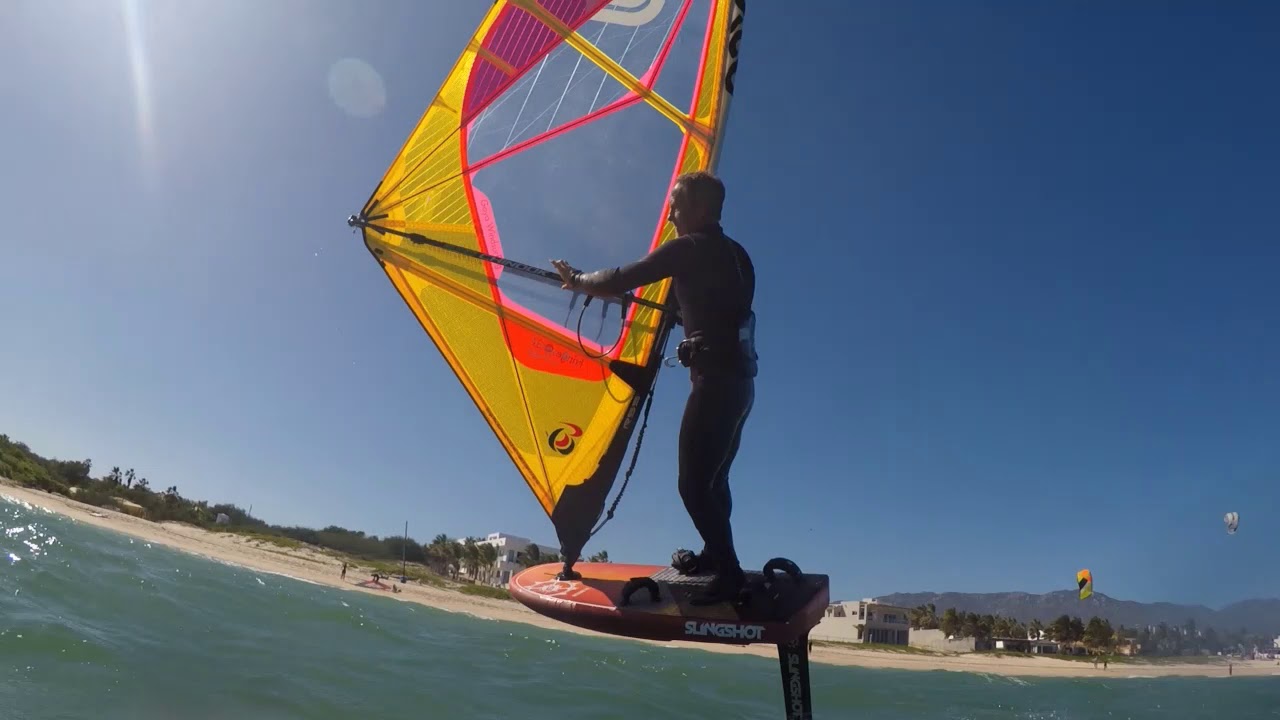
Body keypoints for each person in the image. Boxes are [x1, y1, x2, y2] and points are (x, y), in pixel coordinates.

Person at [551, 170, 757, 606]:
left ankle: (730, 572)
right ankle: (715, 556)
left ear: (699, 209)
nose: (669, 215)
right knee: (715, 481)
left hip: (716, 385)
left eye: (676, 205)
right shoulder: (738, 257)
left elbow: (624, 276)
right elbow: (713, 311)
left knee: (693, 486)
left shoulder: (691, 248)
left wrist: (579, 281)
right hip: (740, 386)